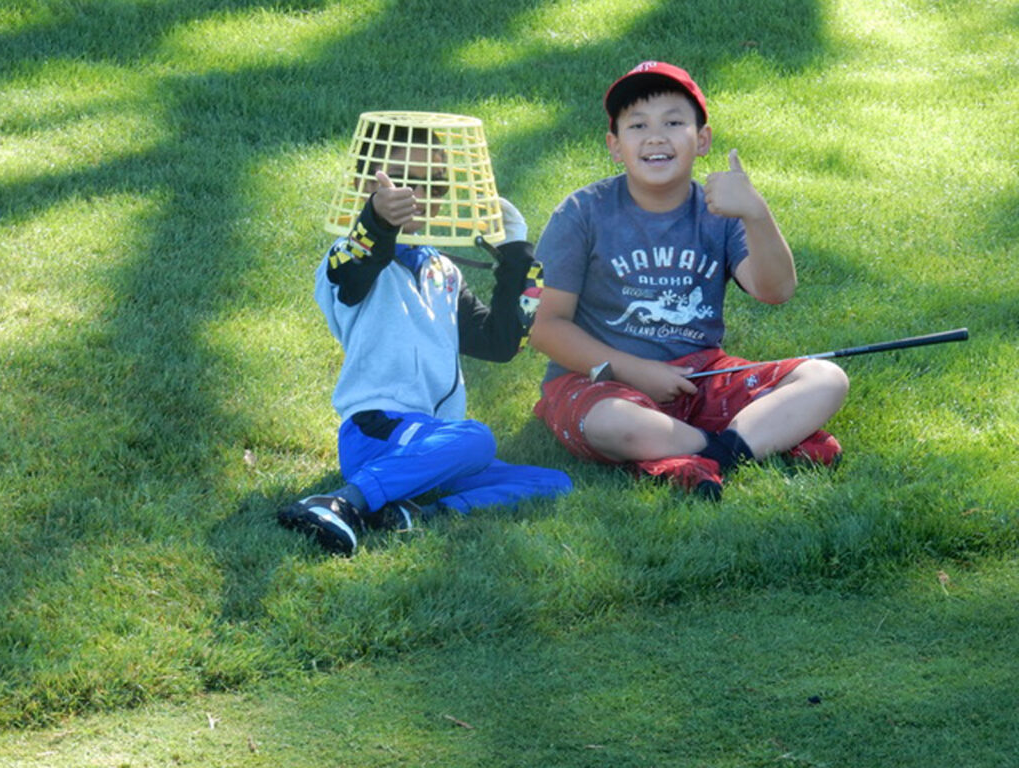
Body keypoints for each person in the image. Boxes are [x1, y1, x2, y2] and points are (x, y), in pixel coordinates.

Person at [528, 61, 849, 499]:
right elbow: (545, 327)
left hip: (700, 378)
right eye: (637, 125)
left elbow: (775, 290)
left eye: (673, 122)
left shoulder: (718, 213)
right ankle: (751, 441)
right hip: (598, 380)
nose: (656, 136)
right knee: (612, 424)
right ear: (615, 145)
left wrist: (756, 212)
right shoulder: (582, 212)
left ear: (702, 140)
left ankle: (701, 453)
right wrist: (635, 370)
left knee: (826, 379)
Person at [279, 122, 572, 555]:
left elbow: (499, 342)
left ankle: (413, 516)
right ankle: (342, 502)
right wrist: (377, 219)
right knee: (476, 437)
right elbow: (357, 267)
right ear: (366, 185)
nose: (419, 194)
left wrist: (515, 253)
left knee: (551, 482)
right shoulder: (346, 255)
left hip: (434, 443)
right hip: (378, 431)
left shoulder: (441, 271)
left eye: (433, 183)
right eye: (405, 180)